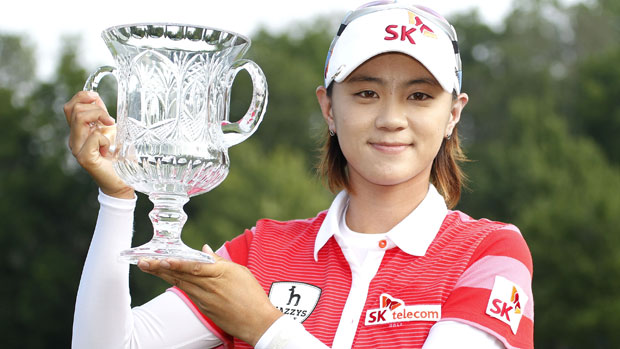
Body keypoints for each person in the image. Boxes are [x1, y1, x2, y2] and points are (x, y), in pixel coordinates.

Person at [66, 1, 533, 348]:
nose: (391, 118)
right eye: (366, 93)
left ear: (454, 113)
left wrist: (263, 327)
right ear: (328, 108)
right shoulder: (261, 253)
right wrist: (119, 196)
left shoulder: (491, 254)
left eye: (419, 96)